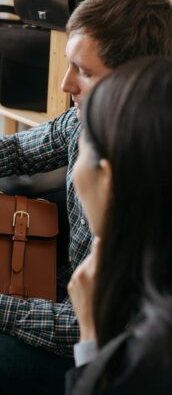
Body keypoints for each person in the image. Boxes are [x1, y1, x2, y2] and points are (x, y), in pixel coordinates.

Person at [0, 0, 172, 394]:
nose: (65, 83)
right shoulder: (85, 122)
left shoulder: (153, 189)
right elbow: (26, 148)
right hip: (69, 301)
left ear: (133, 81)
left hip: (107, 355)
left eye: (84, 71)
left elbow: (99, 331)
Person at [66, 57, 172, 395]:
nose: (66, 84)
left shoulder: (154, 352)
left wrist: (91, 335)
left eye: (84, 70)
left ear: (109, 180)